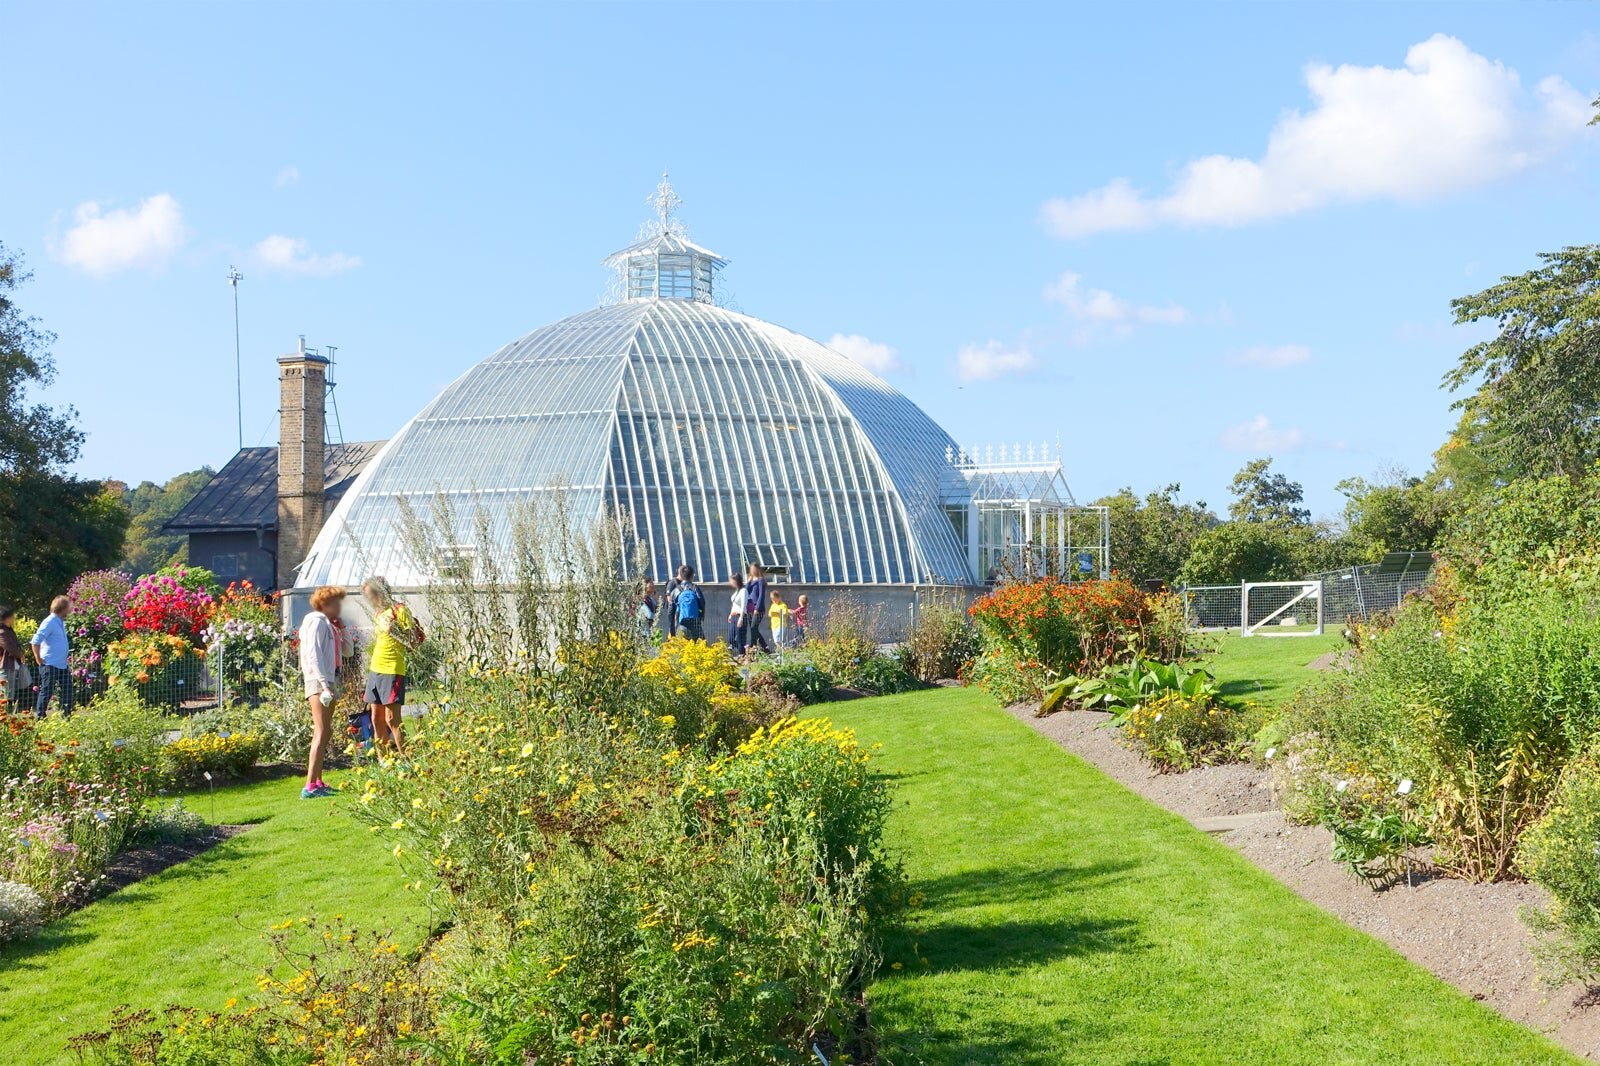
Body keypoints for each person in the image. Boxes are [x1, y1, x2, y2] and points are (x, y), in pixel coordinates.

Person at [362, 576, 423, 757]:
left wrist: (395, 630)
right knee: (376, 719)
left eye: (372, 595)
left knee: (392, 719)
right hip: (375, 669)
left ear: (382, 592)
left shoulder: (400, 610)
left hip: (392, 669)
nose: (370, 600)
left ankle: (406, 760)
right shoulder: (378, 614)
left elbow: (413, 642)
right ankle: (384, 762)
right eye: (367, 596)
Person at [298, 586, 346, 799]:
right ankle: (309, 786)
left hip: (328, 680)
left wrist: (342, 629)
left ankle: (317, 781)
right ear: (324, 604)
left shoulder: (330, 625)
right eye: (336, 602)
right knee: (321, 731)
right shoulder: (316, 621)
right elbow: (313, 655)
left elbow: (348, 651)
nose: (339, 607)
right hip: (319, 682)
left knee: (326, 731)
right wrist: (324, 684)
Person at [30, 595, 73, 718]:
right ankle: (40, 717)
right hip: (49, 664)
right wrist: (38, 658)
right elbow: (35, 641)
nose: (70, 610)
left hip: (61, 664)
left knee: (67, 689)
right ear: (62, 608)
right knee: (47, 691)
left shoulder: (59, 622)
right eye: (68, 607)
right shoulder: (50, 622)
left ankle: (67, 716)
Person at [0, 605, 31, 708]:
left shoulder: (9, 630)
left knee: (11, 692)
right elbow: (10, 647)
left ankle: (9, 714)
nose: (14, 618)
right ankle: (6, 715)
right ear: (5, 618)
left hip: (13, 665)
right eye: (11, 616)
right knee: (6, 693)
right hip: (5, 666)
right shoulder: (2, 632)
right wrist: (21, 654)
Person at [741, 564, 771, 654]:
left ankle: (752, 647)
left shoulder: (760, 580)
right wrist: (748, 582)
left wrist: (757, 608)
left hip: (757, 608)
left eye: (754, 569)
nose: (753, 570)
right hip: (749, 607)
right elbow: (745, 591)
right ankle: (765, 648)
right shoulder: (750, 580)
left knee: (754, 627)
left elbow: (761, 595)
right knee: (753, 629)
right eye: (751, 569)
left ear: (758, 569)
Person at [673, 565, 706, 642]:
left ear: (681, 575)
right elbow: (702, 603)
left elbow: (671, 608)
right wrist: (701, 616)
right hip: (695, 623)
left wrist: (673, 626)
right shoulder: (694, 588)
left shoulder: (676, 590)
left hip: (682, 623)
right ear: (692, 576)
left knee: (680, 648)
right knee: (701, 646)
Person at [725, 573, 746, 652]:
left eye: (731, 581)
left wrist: (741, 618)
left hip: (739, 616)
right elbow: (734, 604)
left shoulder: (743, 591)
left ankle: (742, 653)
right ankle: (743, 649)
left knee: (740, 638)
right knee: (731, 638)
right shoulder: (737, 591)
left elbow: (744, 604)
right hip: (734, 616)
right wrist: (730, 614)